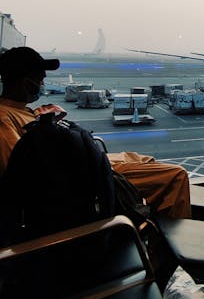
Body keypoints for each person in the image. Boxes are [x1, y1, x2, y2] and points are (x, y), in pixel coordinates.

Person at [0, 46, 191, 217]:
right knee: (176, 175)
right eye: (40, 79)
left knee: (144, 160)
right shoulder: (3, 118)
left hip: (84, 162)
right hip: (81, 173)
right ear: (25, 84)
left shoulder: (21, 110)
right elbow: (21, 171)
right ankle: (165, 250)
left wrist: (47, 120)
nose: (43, 84)